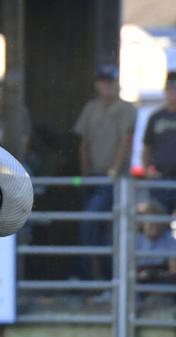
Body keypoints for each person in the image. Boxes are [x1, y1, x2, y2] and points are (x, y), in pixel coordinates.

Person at [74, 65, 136, 259]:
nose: (107, 85)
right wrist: (84, 175)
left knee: (94, 221)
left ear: (117, 84)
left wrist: (113, 172)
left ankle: (85, 275)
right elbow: (83, 144)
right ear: (97, 84)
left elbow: (125, 142)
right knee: (95, 227)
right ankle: (93, 278)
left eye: (111, 81)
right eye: (103, 81)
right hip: (92, 177)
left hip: (112, 180)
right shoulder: (90, 108)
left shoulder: (127, 108)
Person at [142, 72, 176, 213]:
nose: (173, 92)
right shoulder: (156, 117)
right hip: (160, 177)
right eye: (170, 88)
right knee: (158, 221)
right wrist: (146, 170)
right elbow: (147, 146)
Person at [136, 201, 176, 284]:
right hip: (139, 283)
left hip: (162, 281)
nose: (152, 225)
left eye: (155, 221)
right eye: (148, 222)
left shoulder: (169, 240)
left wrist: (157, 274)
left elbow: (173, 270)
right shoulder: (136, 240)